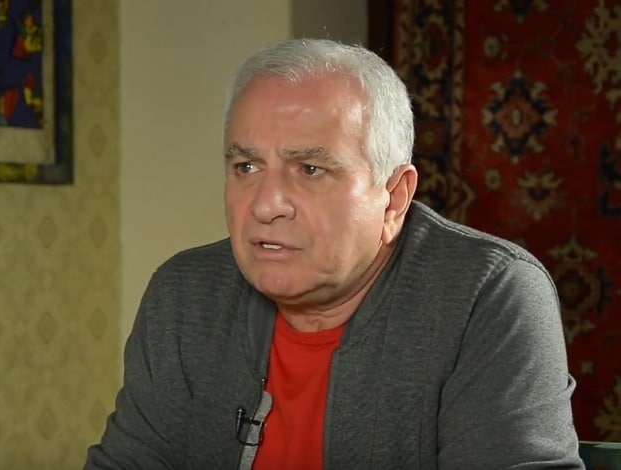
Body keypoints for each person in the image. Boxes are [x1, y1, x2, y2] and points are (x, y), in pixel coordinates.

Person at [84, 38, 583, 469]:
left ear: (394, 198)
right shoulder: (184, 294)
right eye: (246, 167)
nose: (266, 205)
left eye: (310, 170)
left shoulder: (488, 296)